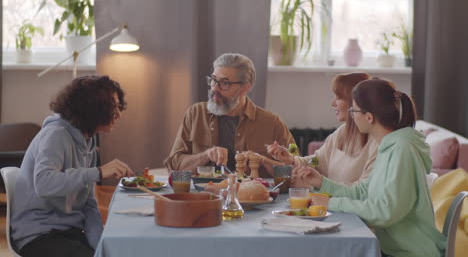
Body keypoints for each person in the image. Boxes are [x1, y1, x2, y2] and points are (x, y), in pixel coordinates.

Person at [293, 78, 446, 257]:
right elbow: (363, 192)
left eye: (354, 110)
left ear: (369, 117)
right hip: (390, 248)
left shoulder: (402, 150)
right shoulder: (389, 146)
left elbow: (386, 212)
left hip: (408, 252)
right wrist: (321, 182)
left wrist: (331, 203)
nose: (352, 115)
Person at [10, 75, 134, 257]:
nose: (119, 113)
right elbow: (44, 183)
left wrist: (99, 245)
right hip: (39, 235)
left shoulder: (87, 141)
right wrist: (98, 172)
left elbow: (88, 204)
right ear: (92, 109)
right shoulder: (56, 135)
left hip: (69, 232)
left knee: (118, 250)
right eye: (112, 106)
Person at [164, 53, 295, 177]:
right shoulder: (196, 114)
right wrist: (205, 155)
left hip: (253, 198)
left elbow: (296, 172)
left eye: (225, 83)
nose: (215, 88)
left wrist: (264, 161)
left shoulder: (271, 123)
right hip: (204, 196)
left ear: (245, 88)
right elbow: (174, 168)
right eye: (213, 80)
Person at [266, 73, 378, 184]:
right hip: (327, 200)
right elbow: (316, 160)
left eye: (338, 98)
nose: (333, 103)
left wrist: (325, 192)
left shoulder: (376, 141)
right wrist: (292, 159)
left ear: (355, 102)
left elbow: (362, 191)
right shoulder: (341, 132)